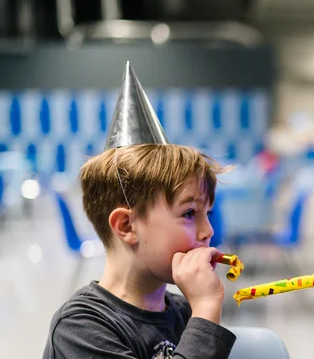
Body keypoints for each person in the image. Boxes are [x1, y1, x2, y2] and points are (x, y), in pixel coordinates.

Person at [43, 63, 236, 358]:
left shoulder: (183, 311)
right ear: (127, 226)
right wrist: (207, 311)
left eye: (207, 214)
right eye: (189, 214)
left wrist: (200, 312)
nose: (208, 231)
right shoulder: (82, 328)